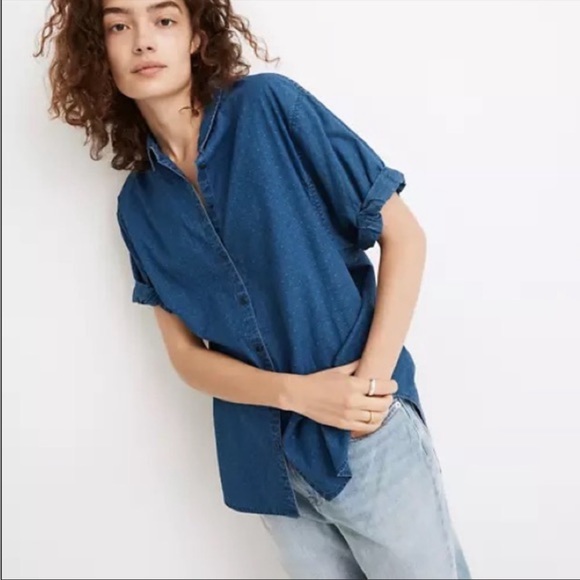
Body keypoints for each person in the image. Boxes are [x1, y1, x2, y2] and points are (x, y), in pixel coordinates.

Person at [35, 0, 471, 578]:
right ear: (100, 53)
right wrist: (297, 394)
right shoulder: (138, 207)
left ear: (196, 36)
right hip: (265, 464)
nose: (143, 40)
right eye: (119, 26)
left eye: (164, 20)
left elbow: (404, 236)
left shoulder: (270, 108)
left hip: (363, 435)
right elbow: (187, 358)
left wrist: (367, 392)